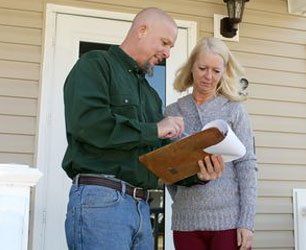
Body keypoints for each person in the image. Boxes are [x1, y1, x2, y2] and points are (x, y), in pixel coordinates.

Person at [62, 8, 224, 250]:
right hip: (101, 201)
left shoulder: (149, 95)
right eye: (165, 42)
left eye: (170, 46)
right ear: (142, 30)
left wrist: (198, 173)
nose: (168, 53)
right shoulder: (96, 65)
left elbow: (157, 155)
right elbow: (88, 125)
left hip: (141, 207)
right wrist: (155, 129)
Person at [165, 37, 258, 250]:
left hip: (229, 222)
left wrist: (247, 222)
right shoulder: (173, 112)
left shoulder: (234, 110)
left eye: (216, 71)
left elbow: (247, 166)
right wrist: (180, 200)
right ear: (191, 68)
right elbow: (169, 170)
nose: (209, 77)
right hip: (186, 222)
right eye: (202, 68)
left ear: (224, 72)